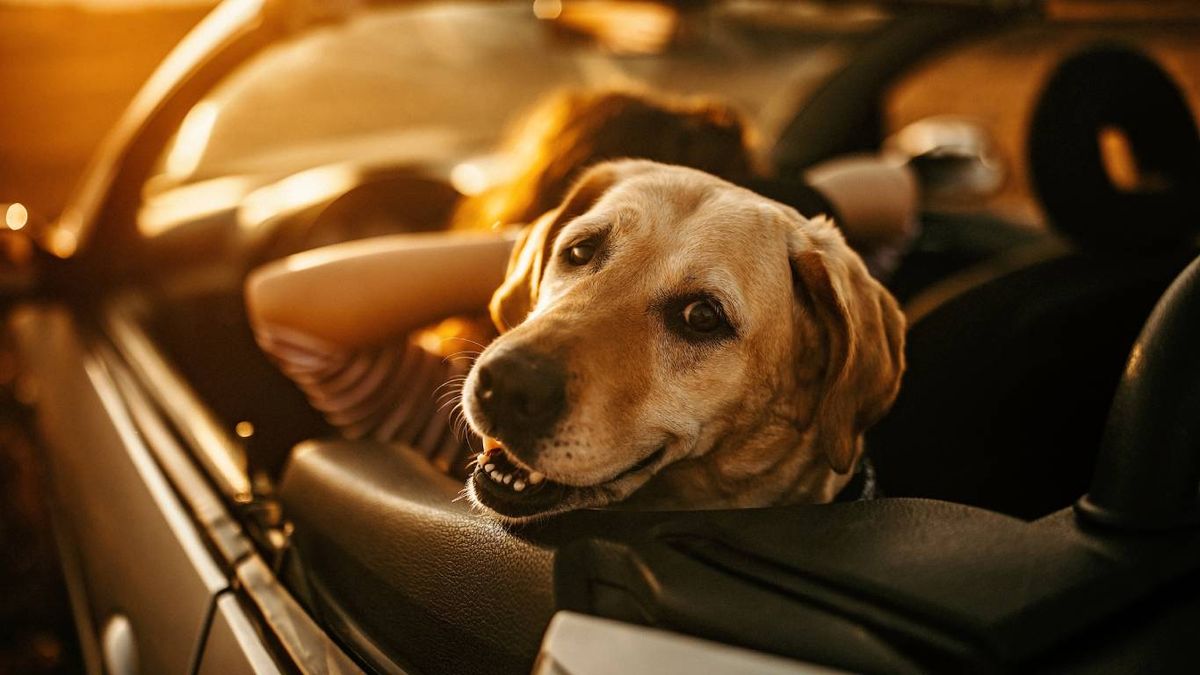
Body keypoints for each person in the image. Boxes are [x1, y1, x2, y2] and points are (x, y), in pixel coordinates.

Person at [246, 90, 917, 477]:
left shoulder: (809, 307)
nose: (515, 371)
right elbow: (893, 194)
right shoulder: (444, 404)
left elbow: (895, 196)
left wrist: (742, 225)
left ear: (812, 368)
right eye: (581, 250)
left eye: (699, 316)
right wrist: (547, 239)